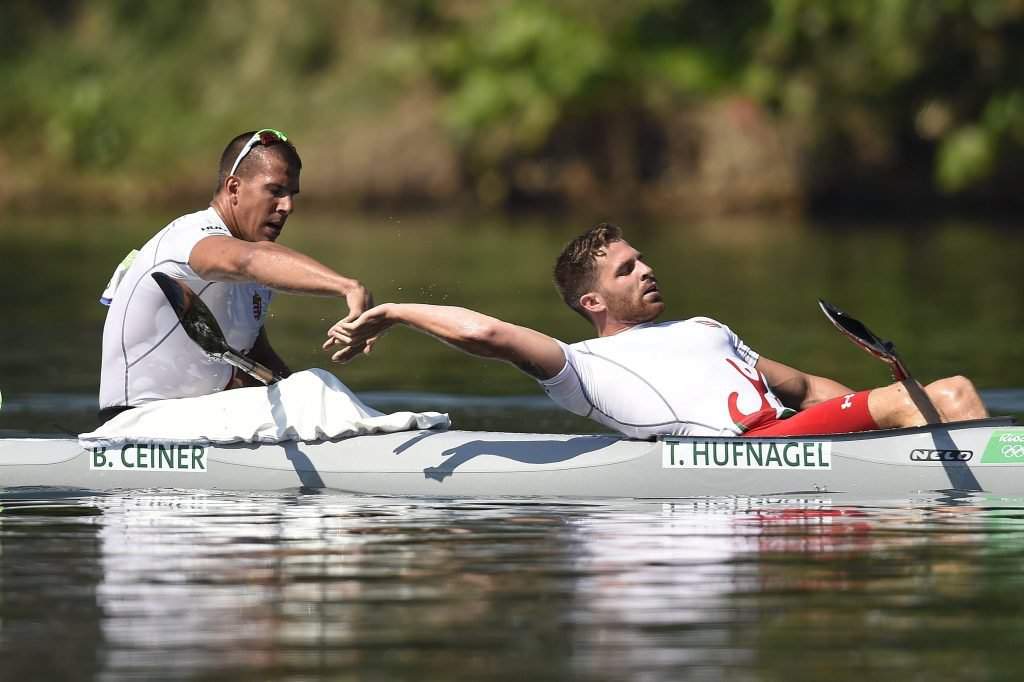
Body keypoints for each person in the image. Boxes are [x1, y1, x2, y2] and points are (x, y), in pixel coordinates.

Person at [323, 223, 988, 438]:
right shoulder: (578, 365)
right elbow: (489, 334)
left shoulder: (705, 325)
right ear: (591, 299)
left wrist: (876, 435)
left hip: (789, 445)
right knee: (953, 393)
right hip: (743, 460)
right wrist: (395, 312)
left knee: (940, 398)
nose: (647, 270)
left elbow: (810, 386)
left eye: (642, 259)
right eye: (626, 267)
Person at [98, 129, 372, 422]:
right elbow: (251, 260)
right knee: (316, 387)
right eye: (275, 191)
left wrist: (295, 398)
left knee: (311, 392)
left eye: (292, 194)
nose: (287, 206)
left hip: (198, 420)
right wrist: (347, 287)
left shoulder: (255, 277)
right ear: (233, 188)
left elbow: (257, 357)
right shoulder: (189, 236)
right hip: (135, 422)